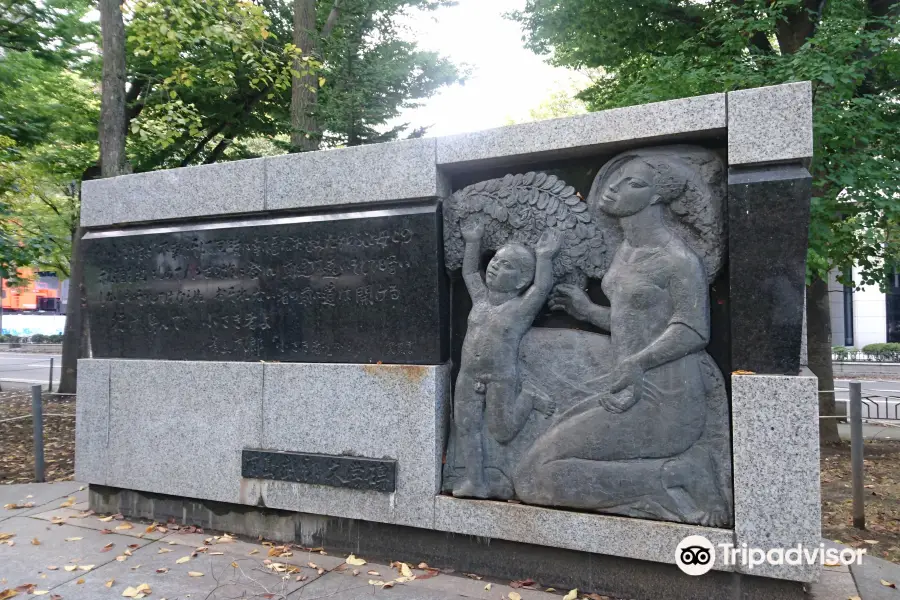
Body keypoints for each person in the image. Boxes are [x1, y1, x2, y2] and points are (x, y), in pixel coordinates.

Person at [513, 154, 729, 526]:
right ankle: (673, 474)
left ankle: (679, 474)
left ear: (656, 198)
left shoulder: (678, 259)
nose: (615, 186)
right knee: (532, 472)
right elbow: (638, 320)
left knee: (534, 479)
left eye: (634, 183)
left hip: (667, 403)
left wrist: (638, 362)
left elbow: (693, 330)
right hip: (626, 390)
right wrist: (587, 312)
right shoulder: (626, 251)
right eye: (617, 178)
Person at [452, 221, 560, 499]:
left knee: (502, 431)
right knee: (466, 426)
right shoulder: (480, 299)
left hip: (500, 376)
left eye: (507, 265)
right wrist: (473, 241)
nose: (496, 266)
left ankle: (530, 398)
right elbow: (468, 272)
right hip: (468, 374)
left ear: (522, 280)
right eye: (496, 260)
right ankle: (476, 482)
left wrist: (545, 257)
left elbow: (541, 287)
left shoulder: (521, 308)